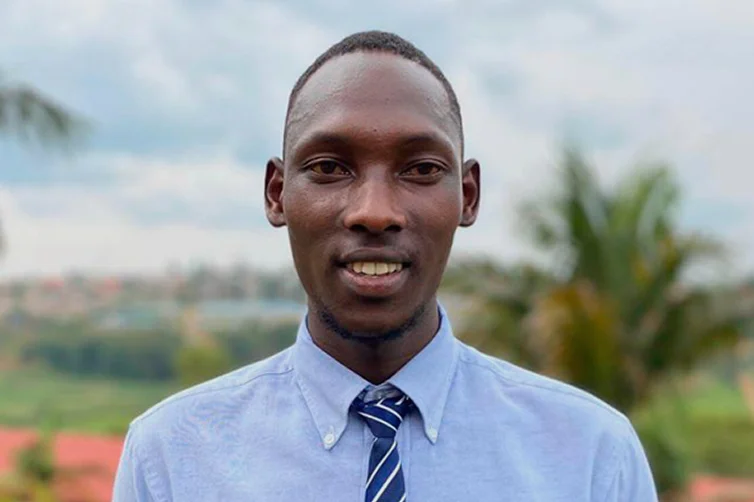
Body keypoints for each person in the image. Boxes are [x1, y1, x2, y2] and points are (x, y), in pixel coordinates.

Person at [113, 30, 658, 501]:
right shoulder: (171, 457)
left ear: (467, 196)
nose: (375, 212)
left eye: (421, 169)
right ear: (277, 194)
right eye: (330, 167)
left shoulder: (591, 455)